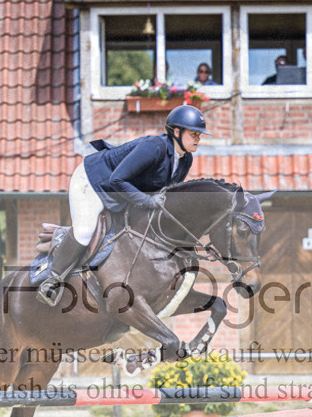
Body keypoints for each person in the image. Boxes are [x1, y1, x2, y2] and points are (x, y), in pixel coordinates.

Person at [35, 104, 211, 306]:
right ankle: (53, 279)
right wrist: (146, 201)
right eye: (194, 134)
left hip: (120, 193)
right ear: (177, 132)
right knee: (85, 230)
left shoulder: (185, 159)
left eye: (199, 134)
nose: (198, 138)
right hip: (93, 181)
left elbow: (165, 195)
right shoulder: (153, 147)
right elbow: (116, 180)